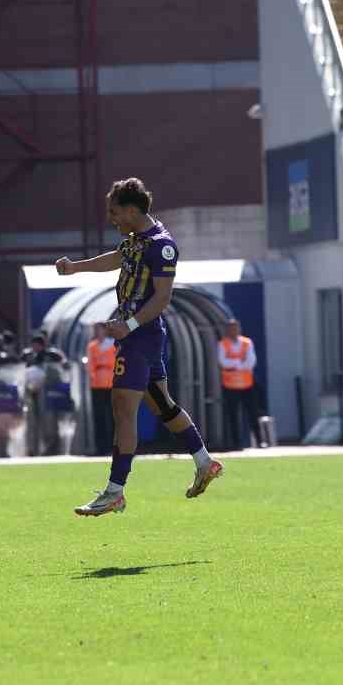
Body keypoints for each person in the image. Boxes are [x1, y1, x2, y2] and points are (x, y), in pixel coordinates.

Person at [53, 177, 222, 516]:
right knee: (162, 405)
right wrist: (76, 268)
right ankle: (204, 461)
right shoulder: (135, 240)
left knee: (122, 407)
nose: (111, 218)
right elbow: (115, 259)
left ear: (131, 210)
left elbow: (162, 299)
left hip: (141, 335)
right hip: (137, 335)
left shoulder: (162, 245)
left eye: (114, 212)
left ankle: (115, 491)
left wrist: (128, 325)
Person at [217, 318, 260, 451]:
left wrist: (235, 364)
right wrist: (239, 363)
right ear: (227, 330)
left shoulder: (247, 342)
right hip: (230, 385)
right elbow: (223, 362)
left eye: (236, 327)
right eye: (231, 328)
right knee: (233, 415)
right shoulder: (223, 344)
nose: (234, 330)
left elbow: (251, 361)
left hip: (247, 384)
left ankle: (260, 440)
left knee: (253, 412)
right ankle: (236, 443)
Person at [83, 322, 116, 456]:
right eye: (95, 330)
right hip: (97, 385)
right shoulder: (92, 346)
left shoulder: (113, 344)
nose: (97, 332)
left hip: (112, 384)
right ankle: (100, 447)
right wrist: (91, 376)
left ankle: (114, 447)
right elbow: (90, 363)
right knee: (99, 417)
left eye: (99, 329)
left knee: (114, 417)